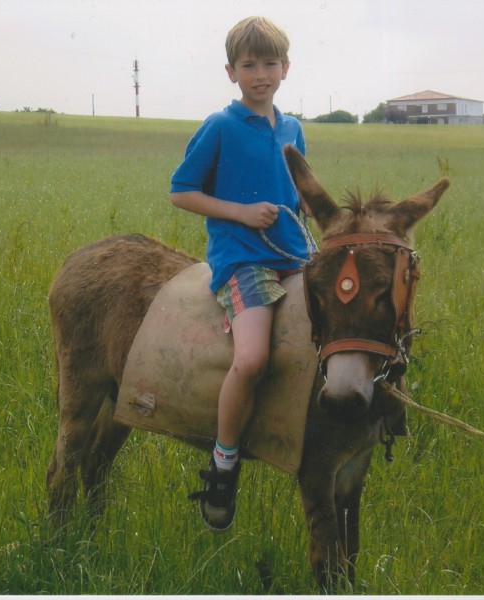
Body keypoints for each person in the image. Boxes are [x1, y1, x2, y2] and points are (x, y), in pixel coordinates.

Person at [169, 15, 310, 532]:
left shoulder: (293, 127)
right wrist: (241, 213)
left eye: (270, 63)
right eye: (249, 65)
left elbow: (297, 193)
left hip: (294, 254)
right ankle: (224, 464)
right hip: (244, 258)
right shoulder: (221, 126)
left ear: (286, 68)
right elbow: (181, 191)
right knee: (252, 358)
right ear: (231, 72)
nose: (261, 74)